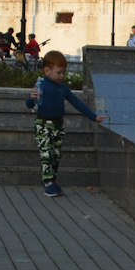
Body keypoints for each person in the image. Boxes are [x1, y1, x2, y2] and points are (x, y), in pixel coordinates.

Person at [24, 50, 107, 197]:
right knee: (46, 154)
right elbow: (30, 104)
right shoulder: (41, 85)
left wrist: (94, 117)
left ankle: (53, 182)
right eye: (59, 72)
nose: (62, 76)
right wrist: (31, 98)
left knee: (55, 155)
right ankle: (48, 183)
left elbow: (77, 103)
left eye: (63, 72)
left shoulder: (63, 88)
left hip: (57, 125)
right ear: (47, 71)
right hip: (43, 124)